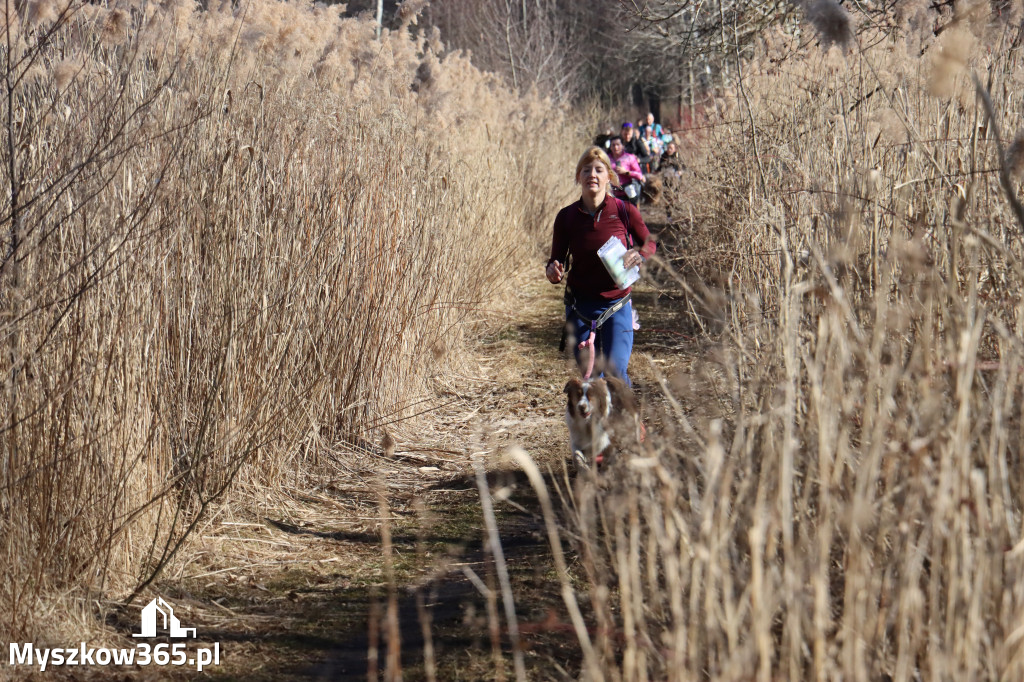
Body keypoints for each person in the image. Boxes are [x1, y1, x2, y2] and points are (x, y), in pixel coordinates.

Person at [545, 146, 656, 386]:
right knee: (592, 378)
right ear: (579, 177)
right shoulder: (566, 217)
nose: (592, 175)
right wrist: (553, 271)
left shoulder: (625, 211)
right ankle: (598, 412)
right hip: (579, 307)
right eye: (586, 170)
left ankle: (626, 411)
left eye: (598, 170)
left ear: (609, 176)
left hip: (617, 303)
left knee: (616, 374)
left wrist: (640, 255)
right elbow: (556, 261)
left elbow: (649, 242)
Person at [607, 135, 644, 206]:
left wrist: (626, 172)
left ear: (622, 146)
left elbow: (639, 176)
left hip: (628, 194)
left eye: (618, 145)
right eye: (613, 145)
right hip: (612, 193)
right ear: (610, 147)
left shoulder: (629, 157)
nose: (615, 147)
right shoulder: (607, 159)